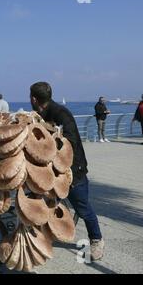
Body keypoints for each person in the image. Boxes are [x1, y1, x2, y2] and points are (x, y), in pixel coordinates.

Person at [30, 81, 104, 261]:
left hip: (73, 170)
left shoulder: (61, 113)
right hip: (52, 171)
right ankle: (44, 234)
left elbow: (70, 140)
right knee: (43, 202)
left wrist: (49, 132)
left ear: (33, 98)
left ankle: (96, 239)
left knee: (83, 208)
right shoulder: (39, 114)